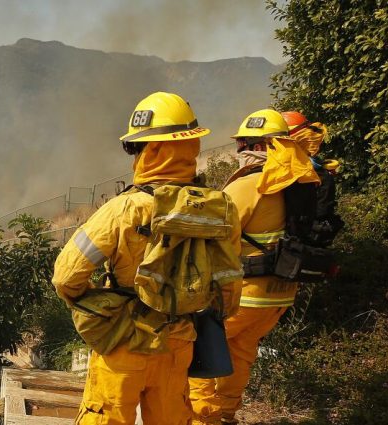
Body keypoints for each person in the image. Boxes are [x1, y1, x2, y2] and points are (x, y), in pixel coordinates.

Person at [52, 92, 241, 425]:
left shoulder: (123, 210)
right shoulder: (220, 209)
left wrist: (101, 308)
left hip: (126, 342)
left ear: (149, 150)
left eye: (135, 148)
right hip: (181, 344)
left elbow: (66, 278)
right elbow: (229, 288)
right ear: (192, 146)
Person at [188, 109, 321, 424]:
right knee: (241, 353)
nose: (239, 152)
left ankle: (202, 418)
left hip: (243, 293)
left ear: (261, 146)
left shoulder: (249, 184)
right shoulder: (299, 180)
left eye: (244, 143)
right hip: (278, 295)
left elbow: (212, 236)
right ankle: (226, 414)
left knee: (198, 350)